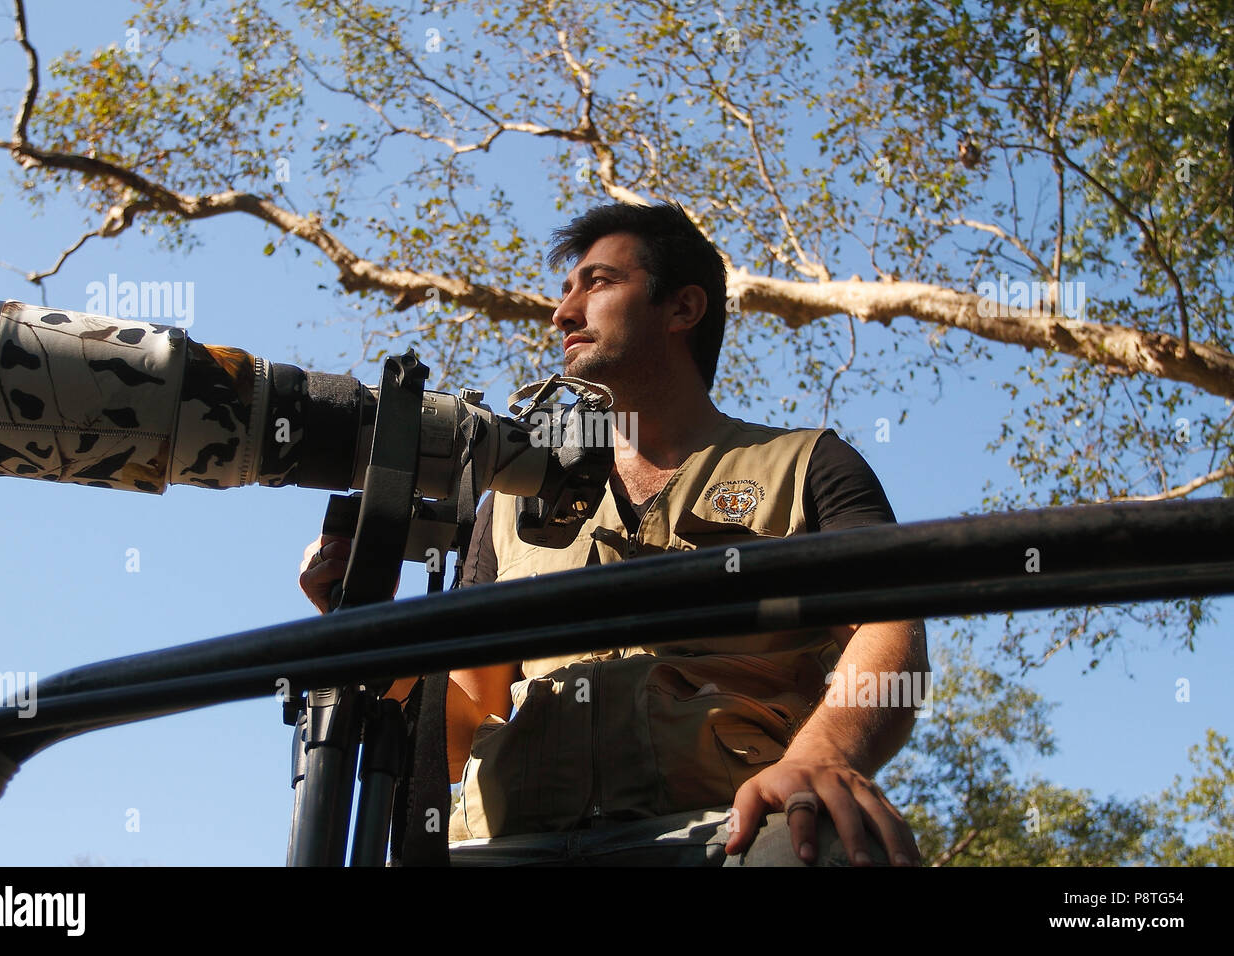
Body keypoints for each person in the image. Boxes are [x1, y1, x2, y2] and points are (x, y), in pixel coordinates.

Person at [300, 201, 928, 867]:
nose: (563, 314)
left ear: (683, 308)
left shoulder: (807, 464)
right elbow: (460, 720)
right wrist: (360, 622)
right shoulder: (511, 499)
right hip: (510, 844)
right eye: (564, 292)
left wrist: (821, 755)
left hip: (725, 831)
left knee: (834, 844)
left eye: (597, 283)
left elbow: (889, 630)